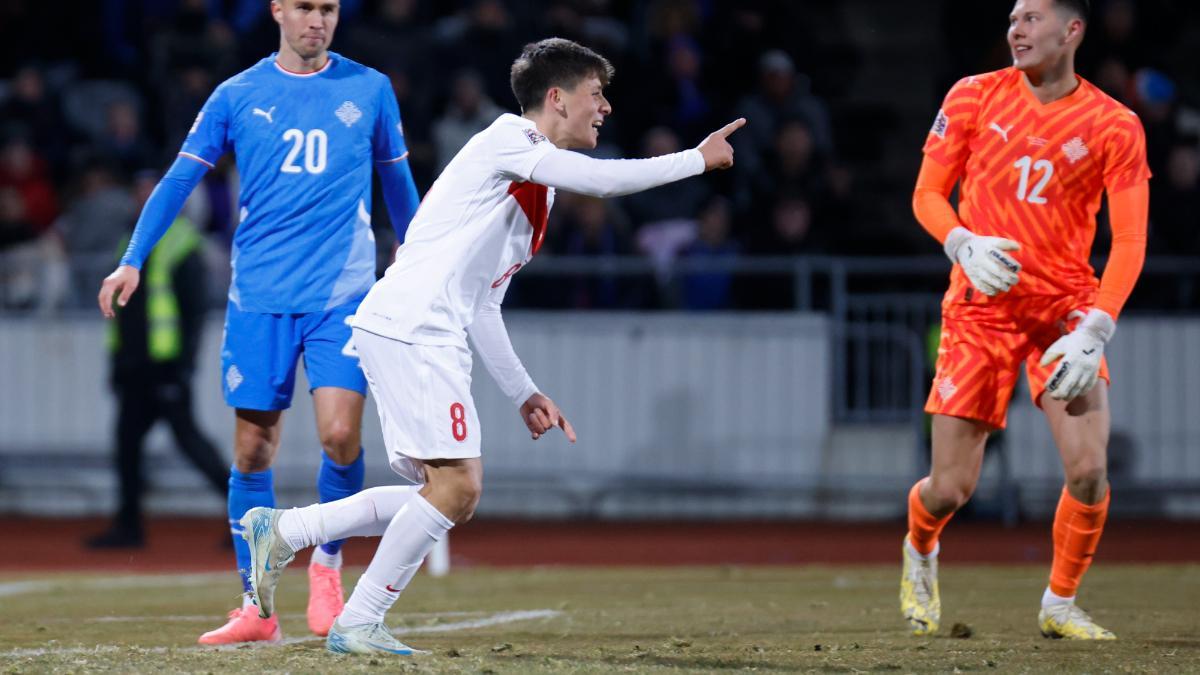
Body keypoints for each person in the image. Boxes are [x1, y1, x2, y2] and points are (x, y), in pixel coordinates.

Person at [238, 37, 744, 656]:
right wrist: (694, 159)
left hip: (414, 327)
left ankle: (287, 530)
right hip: (413, 327)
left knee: (444, 490)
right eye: (596, 94)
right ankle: (358, 619)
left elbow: (484, 303)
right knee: (459, 488)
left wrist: (522, 390)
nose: (605, 107)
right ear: (556, 99)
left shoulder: (538, 183)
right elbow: (605, 184)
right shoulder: (512, 140)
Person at [96, 0, 420, 645]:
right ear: (277, 10)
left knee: (339, 438)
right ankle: (258, 607)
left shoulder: (370, 88)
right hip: (259, 299)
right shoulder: (236, 94)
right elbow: (178, 180)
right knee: (252, 450)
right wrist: (132, 258)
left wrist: (418, 263)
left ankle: (326, 572)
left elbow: (399, 186)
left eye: (328, 8)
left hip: (342, 297)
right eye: (305, 7)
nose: (317, 20)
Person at [902, 0, 1149, 640]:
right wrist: (962, 242)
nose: (1017, 28)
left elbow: (1128, 241)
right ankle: (921, 548)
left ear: (1073, 31)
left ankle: (1060, 604)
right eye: (1013, 17)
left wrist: (1096, 328)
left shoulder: (1114, 124)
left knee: (1090, 471)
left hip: (1064, 312)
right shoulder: (973, 96)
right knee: (951, 489)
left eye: (1034, 17)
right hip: (980, 307)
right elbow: (927, 194)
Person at [87, 171, 229, 549]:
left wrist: (182, 368)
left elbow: (194, 313)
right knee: (128, 444)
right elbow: (124, 314)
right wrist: (117, 363)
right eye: (140, 190)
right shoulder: (130, 242)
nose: (142, 198)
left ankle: (246, 519)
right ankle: (128, 525)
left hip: (165, 369)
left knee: (190, 443)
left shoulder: (182, 243)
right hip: (135, 368)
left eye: (150, 191)